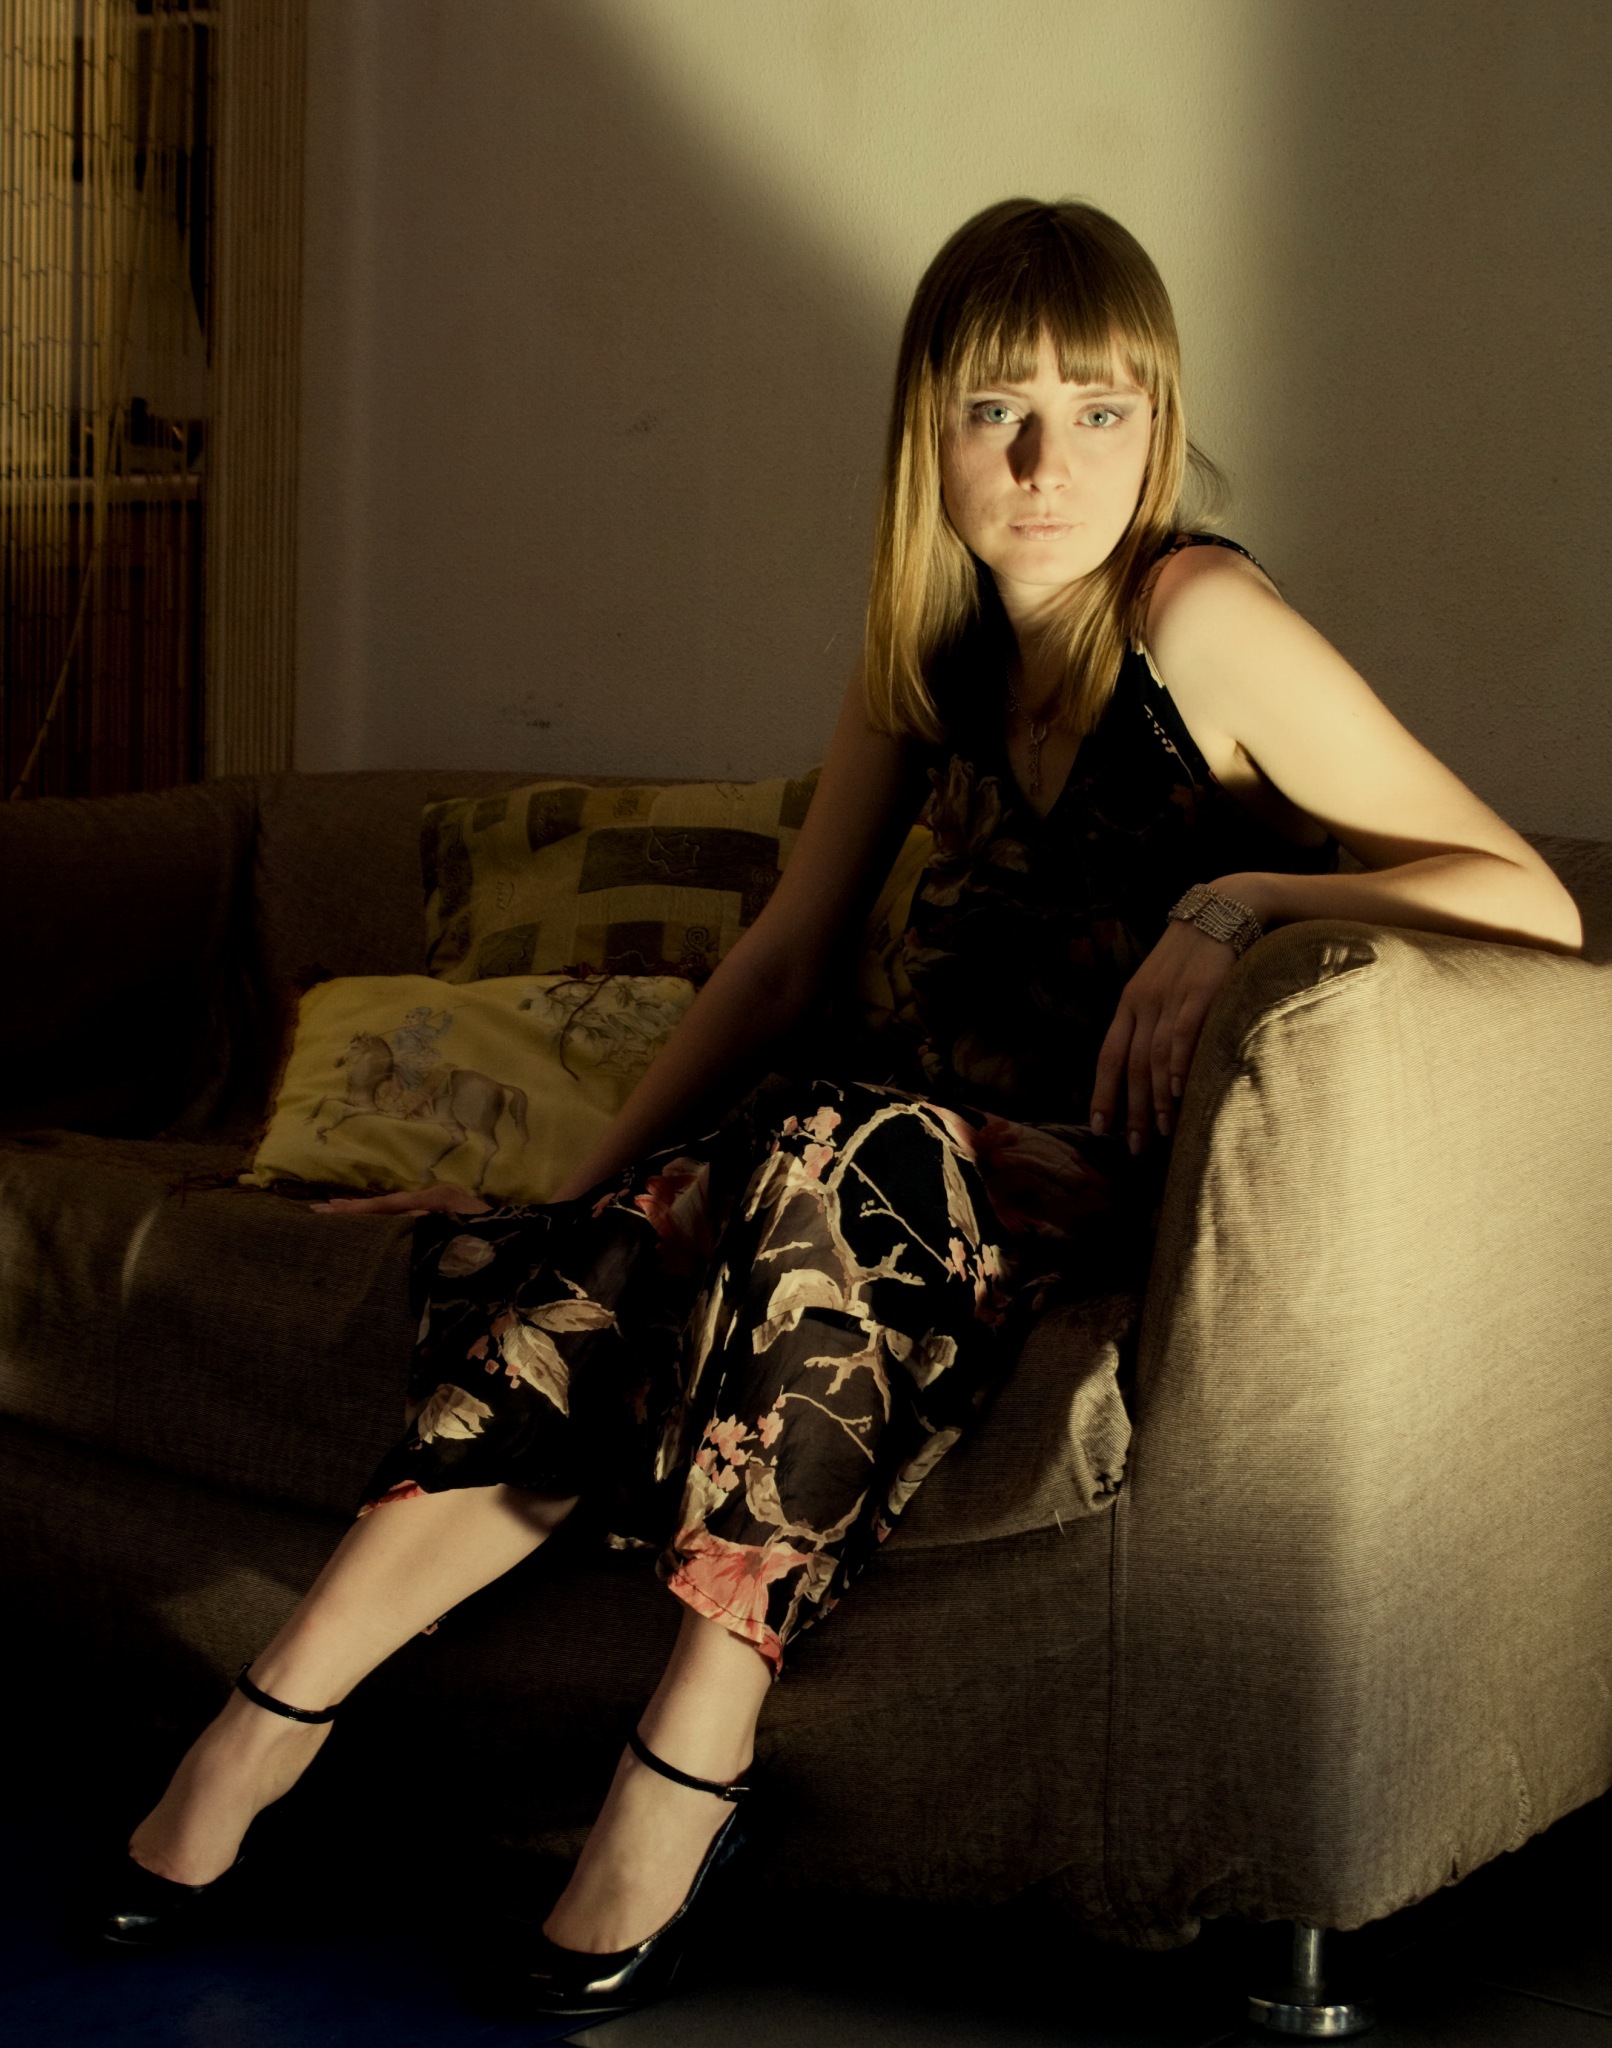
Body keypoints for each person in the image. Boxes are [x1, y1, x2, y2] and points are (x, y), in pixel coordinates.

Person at [87, 198, 1581, 2018]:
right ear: (927, 433)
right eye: (995, 412)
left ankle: (685, 1765)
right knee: (653, 1235)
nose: (1044, 465)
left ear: (1160, 426)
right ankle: (263, 1726)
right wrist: (586, 1187)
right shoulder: (928, 649)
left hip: (1103, 1175)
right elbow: (786, 963)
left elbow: (1528, 896)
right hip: (888, 1172)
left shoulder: (1200, 617)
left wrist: (1243, 901)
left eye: (1098, 412)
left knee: (836, 1143)